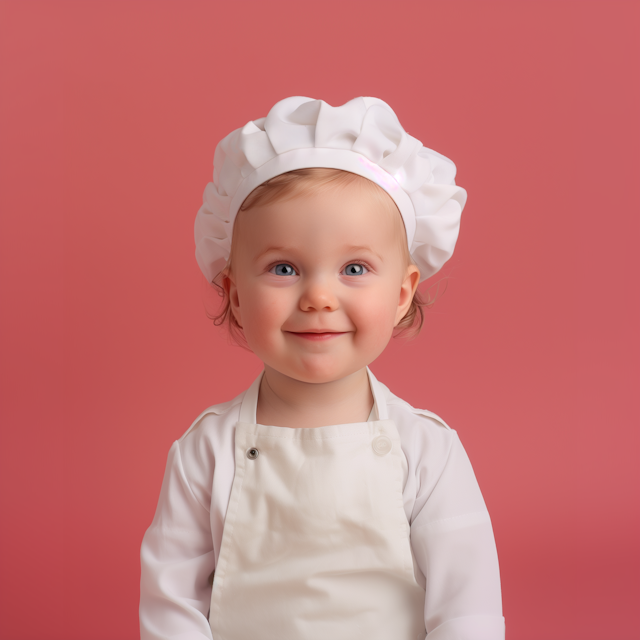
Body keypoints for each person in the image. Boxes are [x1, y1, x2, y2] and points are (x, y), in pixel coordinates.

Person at [139, 96, 505, 640]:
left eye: (354, 267)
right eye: (283, 268)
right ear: (235, 295)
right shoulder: (205, 452)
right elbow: (171, 609)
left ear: (403, 293)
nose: (318, 296)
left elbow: (467, 610)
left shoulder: (428, 451)